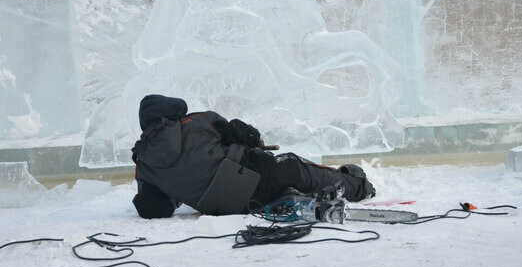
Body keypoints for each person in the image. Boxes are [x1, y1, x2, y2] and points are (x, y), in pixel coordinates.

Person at [131, 94, 376, 219]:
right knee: (293, 166)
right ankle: (358, 187)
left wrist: (176, 189)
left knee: (275, 184)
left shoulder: (143, 164)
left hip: (224, 207)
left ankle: (294, 200)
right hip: (251, 176)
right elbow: (243, 135)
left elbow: (153, 209)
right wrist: (252, 139)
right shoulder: (196, 120)